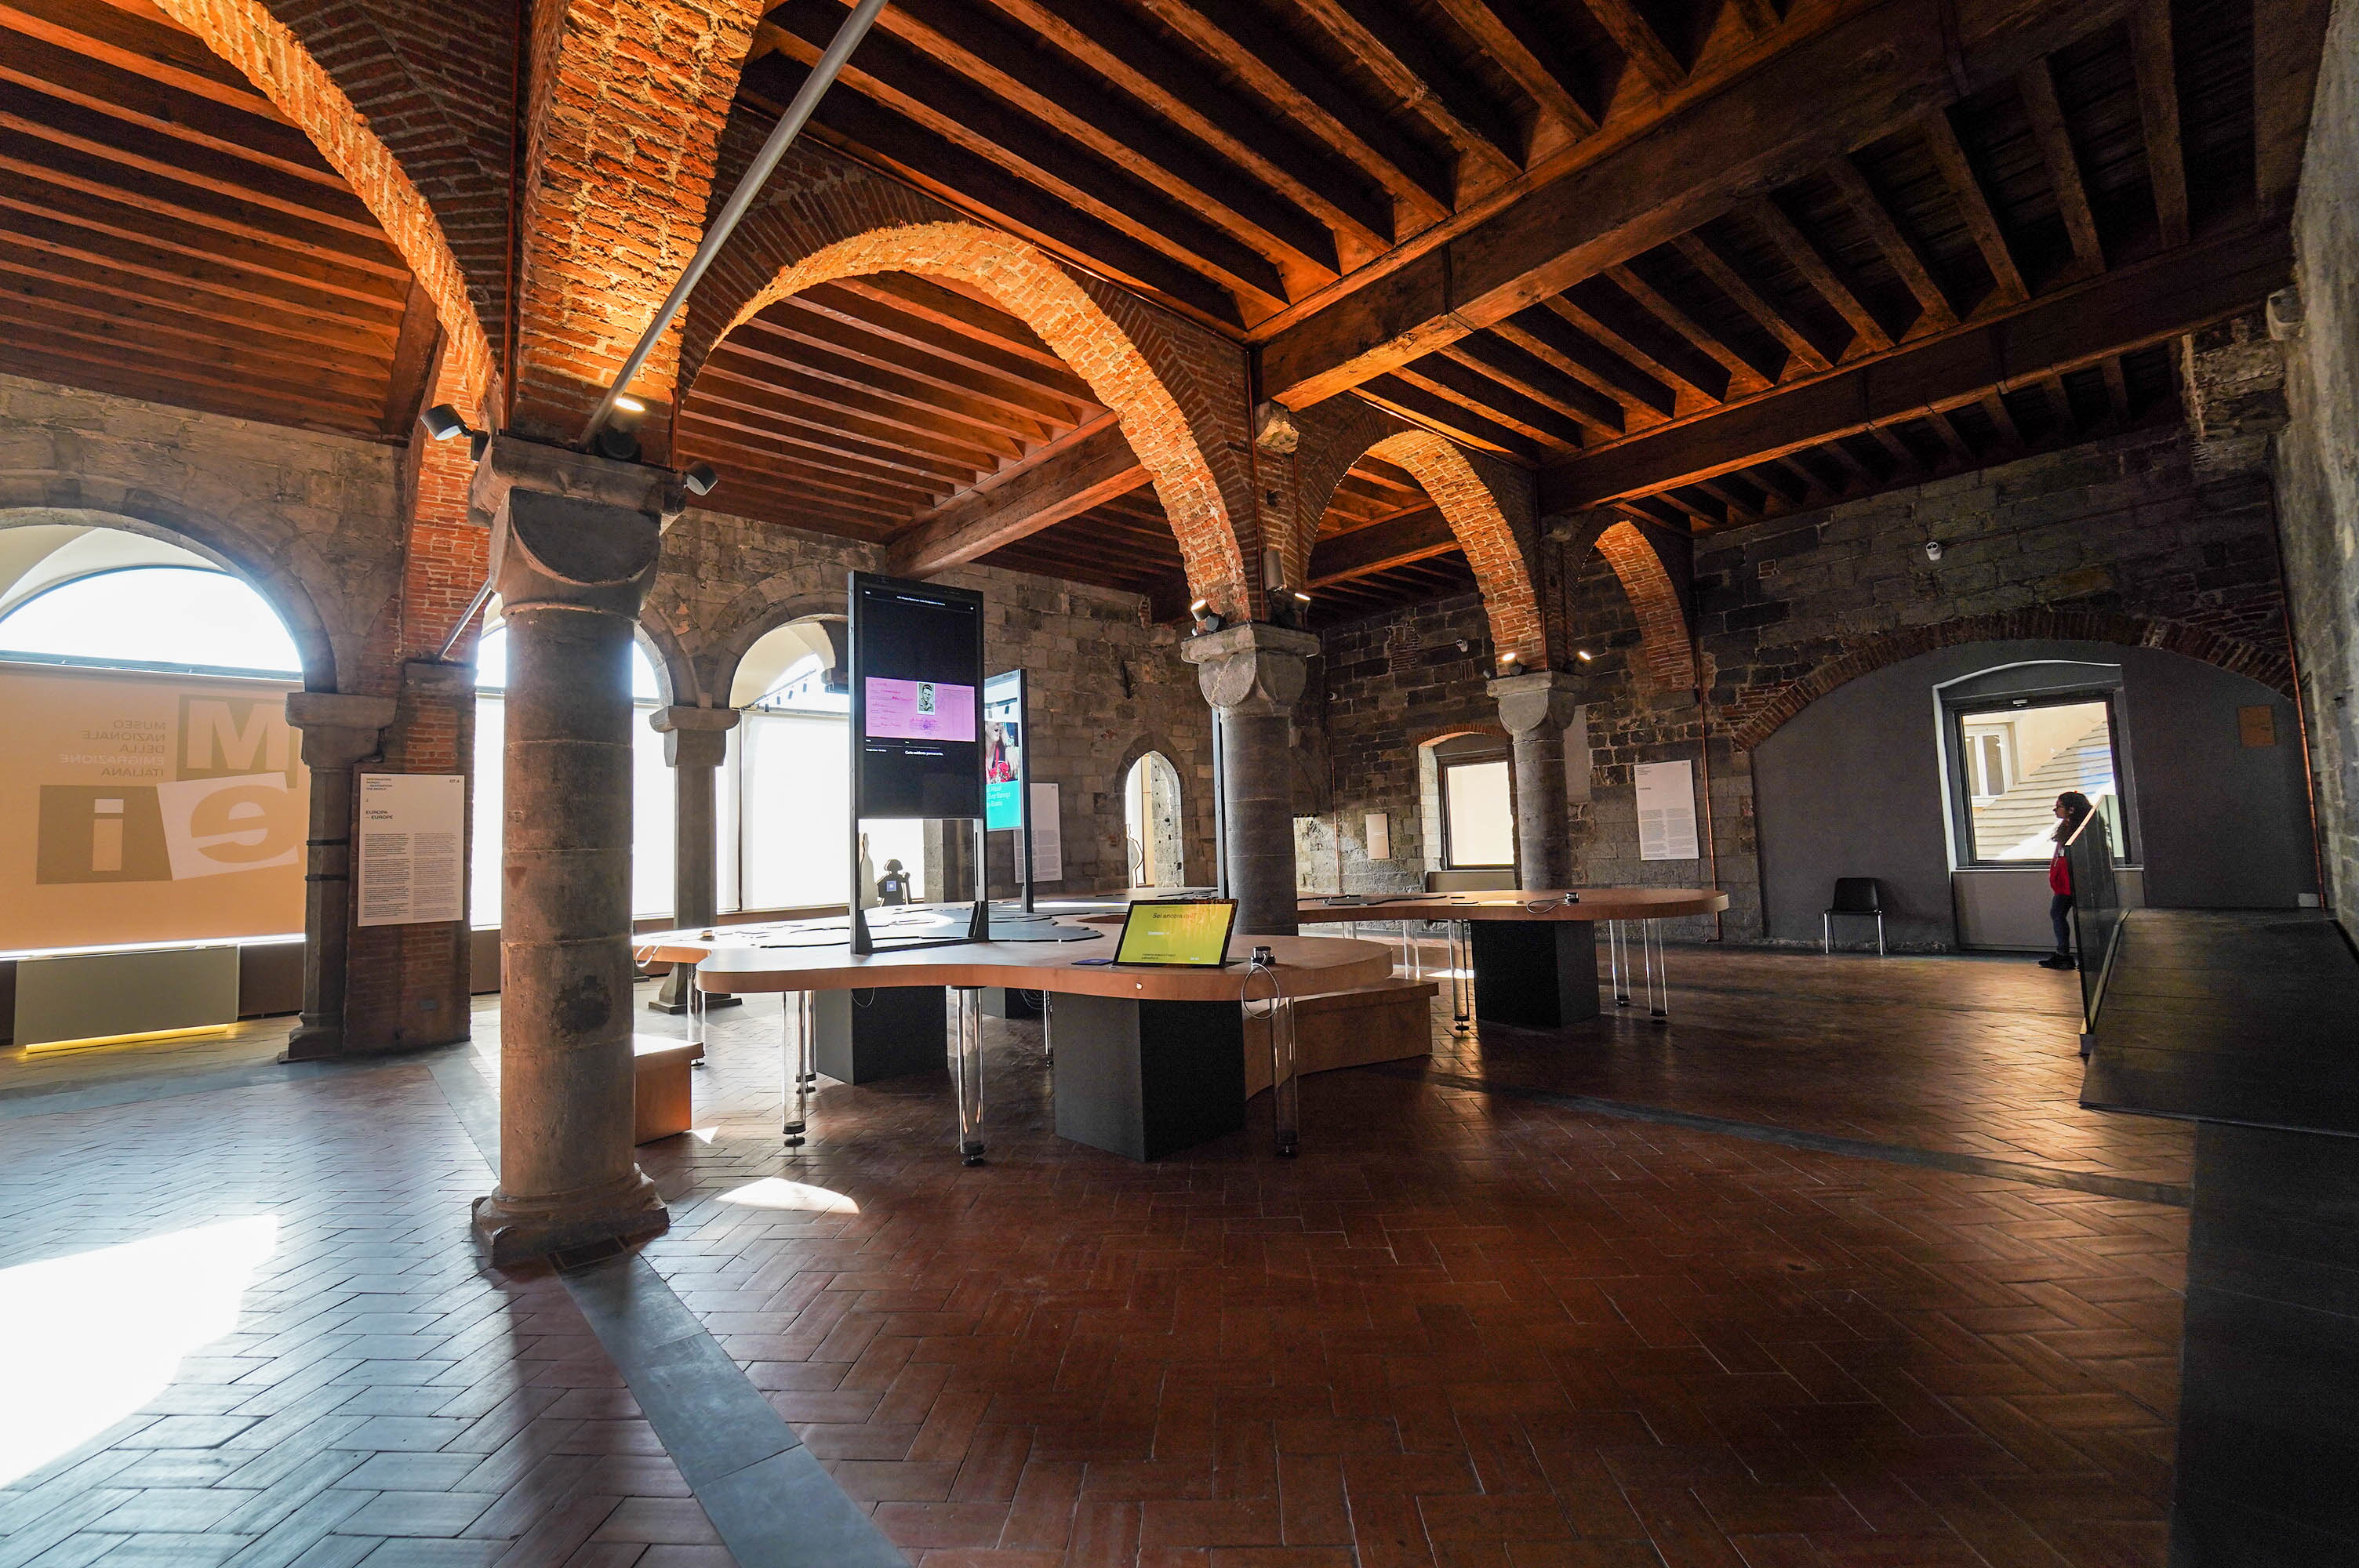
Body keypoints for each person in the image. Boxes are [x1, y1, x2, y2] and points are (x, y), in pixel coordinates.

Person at [2040, 790, 2094, 971]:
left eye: (2059, 806)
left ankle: (2083, 956)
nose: (2055, 810)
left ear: (2071, 809)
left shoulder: (2082, 831)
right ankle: (2063, 955)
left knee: (2078, 918)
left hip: (2077, 882)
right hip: (2065, 883)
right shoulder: (2067, 827)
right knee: (2057, 914)